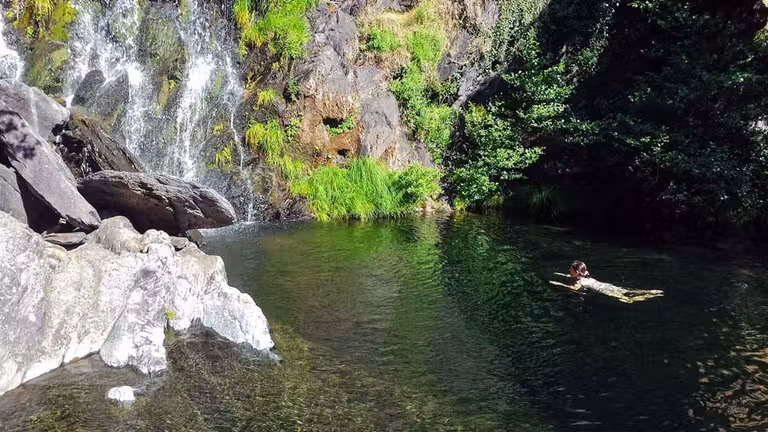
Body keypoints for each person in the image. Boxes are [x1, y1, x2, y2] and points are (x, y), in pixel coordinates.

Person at [549, 260, 664, 303]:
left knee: (628, 299)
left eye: (571, 269)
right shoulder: (585, 277)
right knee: (627, 291)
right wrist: (561, 275)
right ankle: (651, 291)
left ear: (577, 272)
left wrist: (560, 284)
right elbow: (570, 276)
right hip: (607, 285)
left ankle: (650, 296)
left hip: (604, 290)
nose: (569, 269)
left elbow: (575, 288)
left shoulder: (580, 282)